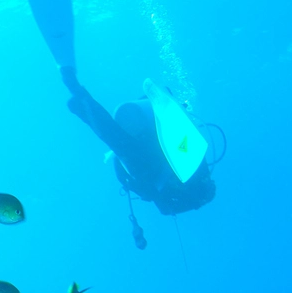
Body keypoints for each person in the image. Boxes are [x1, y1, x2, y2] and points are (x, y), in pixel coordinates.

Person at [59, 65, 216, 216]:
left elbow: (120, 160)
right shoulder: (194, 179)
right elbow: (120, 158)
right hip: (151, 161)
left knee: (117, 140)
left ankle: (78, 93)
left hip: (150, 159)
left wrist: (140, 188)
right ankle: (79, 94)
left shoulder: (190, 180)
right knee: (116, 140)